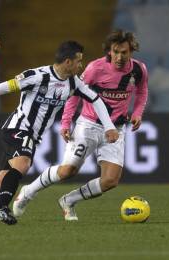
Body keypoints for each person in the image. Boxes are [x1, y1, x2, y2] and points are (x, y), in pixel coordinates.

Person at [0, 40, 119, 225]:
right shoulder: (37, 76)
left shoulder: (74, 82)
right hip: (17, 129)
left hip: (32, 137)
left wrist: (109, 126)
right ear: (68, 61)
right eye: (78, 61)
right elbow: (4, 86)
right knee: (23, 163)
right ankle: (0, 209)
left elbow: (96, 99)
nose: (80, 65)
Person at [12, 29, 148, 221]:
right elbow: (73, 93)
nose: (118, 56)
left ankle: (69, 200)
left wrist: (137, 113)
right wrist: (66, 122)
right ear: (109, 50)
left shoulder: (139, 69)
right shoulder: (95, 68)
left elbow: (142, 91)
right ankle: (28, 191)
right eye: (114, 51)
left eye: (123, 52)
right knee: (68, 170)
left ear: (131, 51)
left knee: (110, 180)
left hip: (115, 129)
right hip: (89, 125)